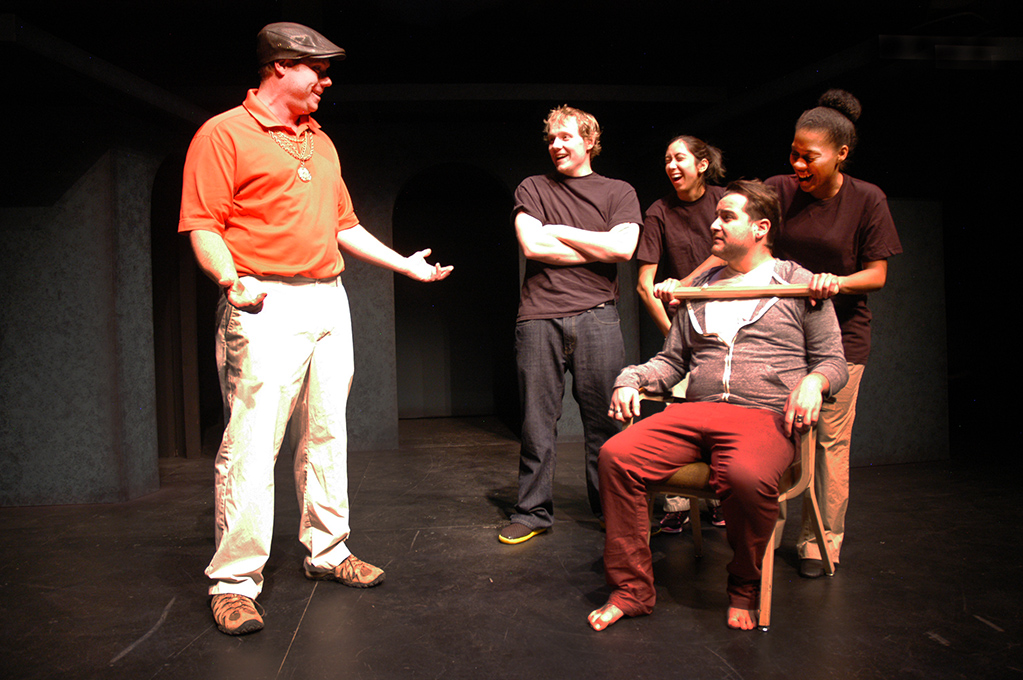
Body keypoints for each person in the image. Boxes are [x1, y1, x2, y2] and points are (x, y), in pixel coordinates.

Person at [179, 22, 452, 635]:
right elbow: (204, 225)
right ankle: (233, 581)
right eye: (317, 71)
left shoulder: (319, 141)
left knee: (327, 432)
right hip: (264, 300)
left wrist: (403, 264)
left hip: (329, 299)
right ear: (279, 67)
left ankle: (328, 552)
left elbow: (343, 226)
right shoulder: (224, 133)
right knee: (253, 443)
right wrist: (232, 282)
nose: (325, 82)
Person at [587, 180, 848, 632]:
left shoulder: (799, 284)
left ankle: (744, 585)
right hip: (696, 411)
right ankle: (631, 590)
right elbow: (670, 362)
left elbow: (833, 360)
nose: (714, 224)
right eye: (717, 216)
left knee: (745, 476)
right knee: (616, 456)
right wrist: (631, 379)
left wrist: (815, 380)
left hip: (764, 414)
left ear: (761, 227)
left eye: (727, 217)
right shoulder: (698, 289)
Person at [766, 89, 902, 579]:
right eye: (794, 153)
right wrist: (691, 281)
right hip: (782, 337)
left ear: (841, 154)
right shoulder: (779, 190)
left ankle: (820, 543)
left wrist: (834, 282)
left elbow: (878, 275)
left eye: (809, 156)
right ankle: (767, 533)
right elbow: (743, 240)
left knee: (827, 442)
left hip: (842, 338)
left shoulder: (867, 198)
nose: (798, 164)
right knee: (776, 431)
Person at [499, 105, 642, 545]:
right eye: (551, 139)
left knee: (605, 422)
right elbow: (532, 244)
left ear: (589, 141)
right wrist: (599, 246)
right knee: (537, 422)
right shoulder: (533, 186)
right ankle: (532, 511)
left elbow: (624, 249)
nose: (556, 145)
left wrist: (559, 230)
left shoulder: (619, 191)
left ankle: (611, 510)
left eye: (565, 137)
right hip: (538, 317)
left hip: (598, 315)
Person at [635, 135, 727, 534]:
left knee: (724, 414)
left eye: (680, 158)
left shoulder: (726, 201)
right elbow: (644, 284)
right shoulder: (659, 211)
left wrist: (686, 283)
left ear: (702, 164)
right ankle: (676, 506)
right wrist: (678, 336)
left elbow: (727, 253)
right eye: (667, 159)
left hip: (729, 322)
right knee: (678, 413)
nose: (671, 166)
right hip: (684, 327)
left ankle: (722, 498)